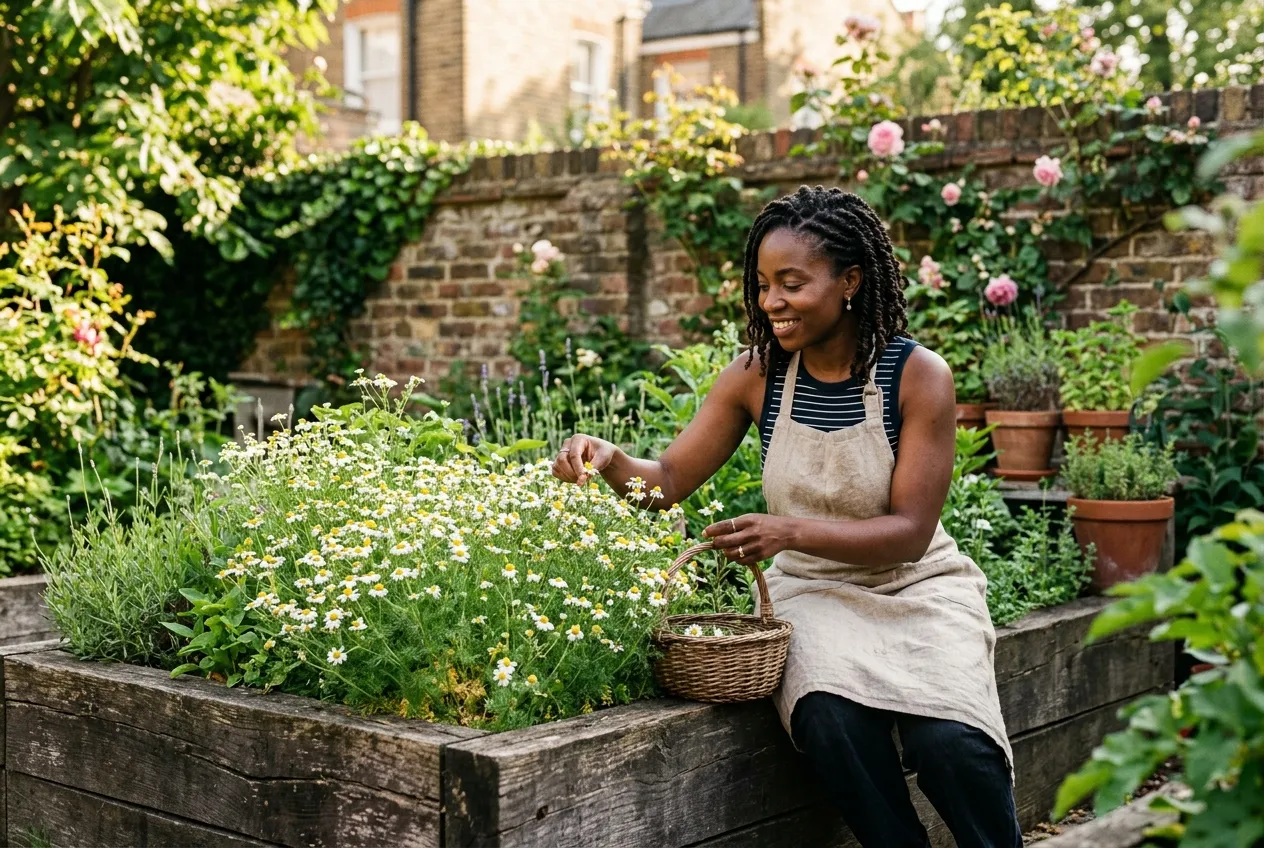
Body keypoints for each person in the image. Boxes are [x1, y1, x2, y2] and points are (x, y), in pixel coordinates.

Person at [551, 185, 1020, 848]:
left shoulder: (916, 377)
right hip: (814, 592)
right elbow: (671, 482)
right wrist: (609, 461)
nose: (771, 301)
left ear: (851, 282)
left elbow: (911, 534)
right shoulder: (756, 375)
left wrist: (788, 531)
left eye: (792, 284)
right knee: (830, 722)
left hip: (918, 587)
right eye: (764, 283)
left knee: (951, 743)